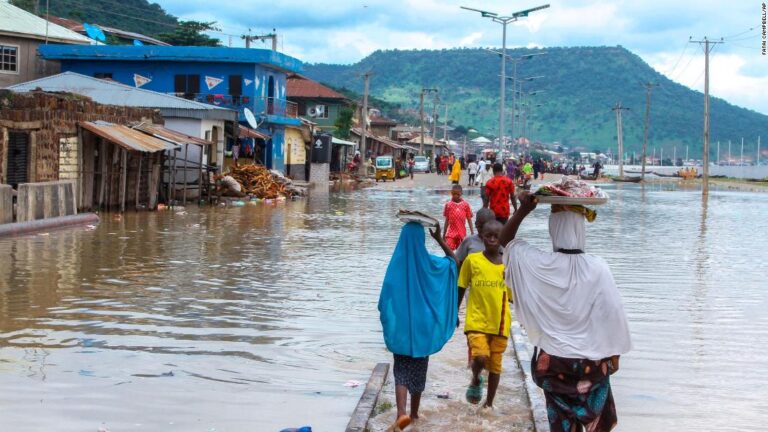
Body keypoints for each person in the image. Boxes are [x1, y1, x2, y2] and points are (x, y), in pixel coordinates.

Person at [500, 193, 632, 432]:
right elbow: (612, 312)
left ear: (553, 229)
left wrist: (523, 210)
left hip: (553, 365)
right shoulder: (598, 267)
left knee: (561, 426)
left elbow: (505, 240)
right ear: (581, 229)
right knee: (596, 423)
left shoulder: (537, 263)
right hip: (591, 366)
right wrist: (615, 355)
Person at [379, 222, 459, 431]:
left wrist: (392, 321)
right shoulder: (430, 264)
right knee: (419, 370)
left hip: (403, 330)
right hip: (424, 328)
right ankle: (414, 414)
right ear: (422, 240)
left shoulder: (396, 264)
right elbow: (454, 262)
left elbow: (385, 298)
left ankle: (401, 413)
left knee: (401, 372)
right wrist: (440, 239)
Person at [457, 220, 512, 409]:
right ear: (481, 236)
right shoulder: (473, 261)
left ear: (502, 238)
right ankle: (475, 377)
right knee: (480, 357)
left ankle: (489, 404)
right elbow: (461, 286)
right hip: (476, 321)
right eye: (488, 235)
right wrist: (454, 312)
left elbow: (514, 296)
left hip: (500, 323)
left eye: (497, 236)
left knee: (495, 366)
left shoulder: (507, 265)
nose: (492, 239)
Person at [442, 184, 474, 250]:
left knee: (461, 253)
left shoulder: (465, 205)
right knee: (448, 250)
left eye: (458, 194)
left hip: (462, 234)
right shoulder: (448, 205)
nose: (455, 196)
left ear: (461, 193)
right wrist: (444, 234)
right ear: (451, 193)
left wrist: (472, 232)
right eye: (454, 194)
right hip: (451, 233)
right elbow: (447, 220)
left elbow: (469, 219)